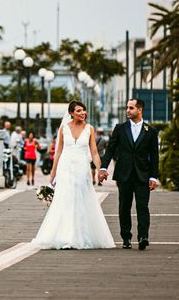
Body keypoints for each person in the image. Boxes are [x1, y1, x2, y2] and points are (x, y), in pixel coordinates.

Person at [32, 100, 115, 249]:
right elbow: (58, 152)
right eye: (78, 111)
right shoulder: (64, 128)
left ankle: (80, 235)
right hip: (65, 167)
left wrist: (101, 169)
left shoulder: (89, 129)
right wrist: (53, 173)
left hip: (82, 168)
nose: (82, 113)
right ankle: (65, 236)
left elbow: (94, 153)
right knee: (65, 199)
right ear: (71, 113)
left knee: (81, 199)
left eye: (83, 110)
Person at [98, 99, 159, 250]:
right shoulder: (120, 128)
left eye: (131, 108)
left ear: (140, 110)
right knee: (124, 207)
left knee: (142, 207)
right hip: (124, 175)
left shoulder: (150, 131)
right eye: (127, 107)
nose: (127, 110)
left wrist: (153, 177)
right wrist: (103, 167)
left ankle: (143, 236)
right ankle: (126, 237)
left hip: (142, 175)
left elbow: (155, 156)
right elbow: (110, 149)